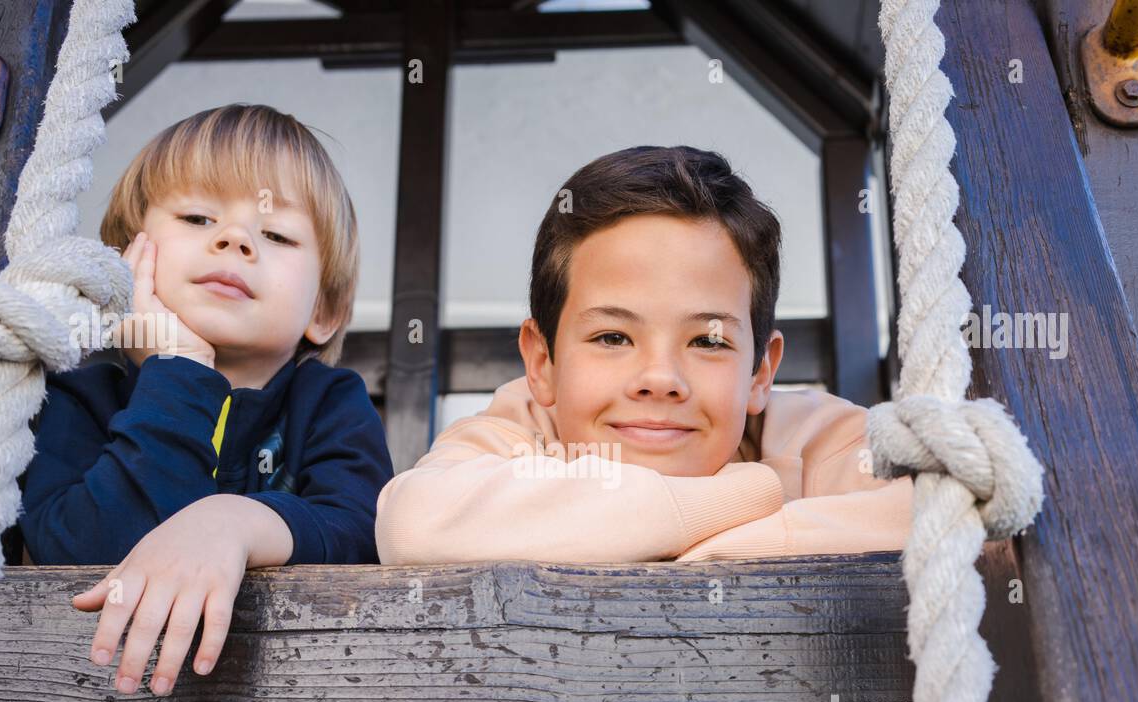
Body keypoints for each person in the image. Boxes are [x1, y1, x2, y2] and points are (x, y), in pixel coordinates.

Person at [375, 145, 911, 565]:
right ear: (542, 363)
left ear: (761, 372)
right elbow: (413, 524)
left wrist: (705, 557)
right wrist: (738, 499)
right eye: (613, 338)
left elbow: (938, 514)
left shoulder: (810, 437)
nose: (660, 378)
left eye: (707, 341)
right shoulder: (519, 432)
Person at [20, 104, 391, 696]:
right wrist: (179, 369)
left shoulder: (329, 402)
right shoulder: (74, 399)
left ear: (323, 311)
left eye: (275, 234)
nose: (235, 238)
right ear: (125, 265)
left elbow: (365, 534)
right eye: (197, 216)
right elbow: (86, 553)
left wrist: (233, 523)